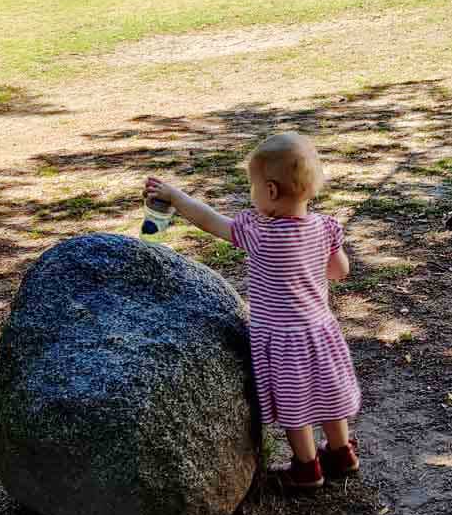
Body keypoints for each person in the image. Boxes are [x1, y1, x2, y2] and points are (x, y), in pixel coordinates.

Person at [144, 132, 361, 491]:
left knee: (296, 407)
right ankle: (341, 454)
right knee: (326, 395)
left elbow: (210, 221)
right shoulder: (325, 228)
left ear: (272, 191)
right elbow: (340, 271)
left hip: (282, 339)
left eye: (253, 186)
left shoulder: (258, 232)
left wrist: (176, 197)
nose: (252, 194)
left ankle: (307, 468)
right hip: (321, 331)